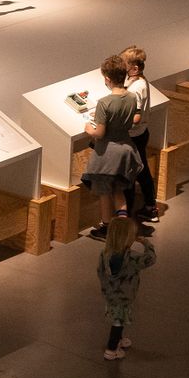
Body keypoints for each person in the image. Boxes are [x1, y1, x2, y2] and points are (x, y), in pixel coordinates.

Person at [81, 55, 143, 240]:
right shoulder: (132, 97)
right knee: (118, 191)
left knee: (104, 193)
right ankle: (123, 229)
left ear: (107, 79)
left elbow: (100, 133)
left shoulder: (104, 103)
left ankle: (107, 228)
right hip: (126, 150)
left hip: (107, 154)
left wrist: (89, 130)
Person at [97, 216, 155, 361]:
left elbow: (99, 271)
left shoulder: (104, 253)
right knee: (118, 321)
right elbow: (150, 259)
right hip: (124, 295)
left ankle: (119, 340)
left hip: (110, 293)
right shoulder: (132, 258)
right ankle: (111, 349)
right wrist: (147, 243)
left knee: (118, 317)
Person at [121, 46, 158, 222]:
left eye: (124, 63)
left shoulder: (136, 88)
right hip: (140, 133)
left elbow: (134, 117)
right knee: (141, 170)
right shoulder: (139, 82)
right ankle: (150, 206)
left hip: (133, 136)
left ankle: (128, 211)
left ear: (134, 68)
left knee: (130, 172)